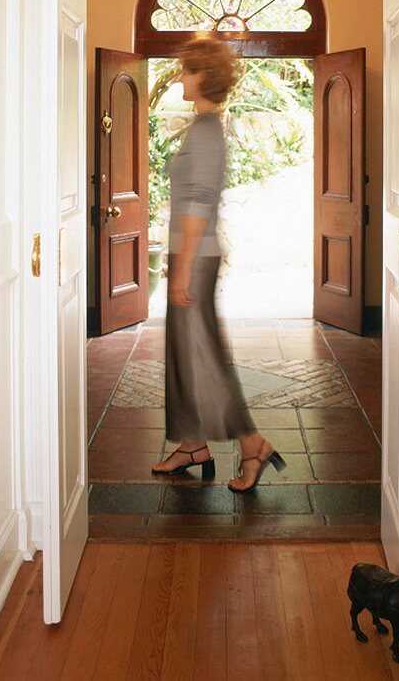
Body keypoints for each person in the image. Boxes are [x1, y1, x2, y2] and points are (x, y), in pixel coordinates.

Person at [150, 36, 287, 492]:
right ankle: (192, 445)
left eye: (187, 70)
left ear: (204, 75)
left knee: (203, 355)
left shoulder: (206, 133)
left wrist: (184, 266)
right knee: (184, 354)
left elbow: (200, 202)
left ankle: (253, 445)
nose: (180, 77)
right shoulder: (202, 126)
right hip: (190, 253)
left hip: (197, 255)